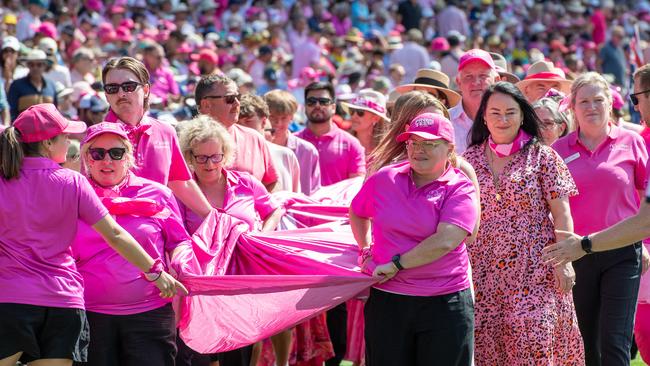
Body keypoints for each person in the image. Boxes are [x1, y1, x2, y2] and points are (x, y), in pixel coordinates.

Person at [0, 104, 185, 366]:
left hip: (10, 299)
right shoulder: (72, 181)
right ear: (49, 143)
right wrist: (154, 272)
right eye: (65, 136)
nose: (69, 141)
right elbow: (114, 234)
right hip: (63, 301)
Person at [462, 82, 584, 364]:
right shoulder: (468, 160)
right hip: (483, 275)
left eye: (510, 112)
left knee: (534, 349)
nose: (502, 120)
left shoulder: (543, 156)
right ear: (483, 116)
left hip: (536, 273)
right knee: (488, 354)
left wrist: (564, 261)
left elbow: (563, 213)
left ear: (521, 116)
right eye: (495, 112)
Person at [350, 112, 477, 366]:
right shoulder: (385, 178)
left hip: (445, 302)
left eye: (429, 144)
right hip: (389, 301)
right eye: (413, 143)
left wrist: (396, 264)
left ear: (449, 148)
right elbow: (357, 211)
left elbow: (446, 239)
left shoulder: (460, 187)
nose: (419, 150)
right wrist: (365, 250)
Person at [72, 122, 193, 365]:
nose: (108, 161)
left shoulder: (156, 194)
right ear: (87, 158)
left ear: (129, 157)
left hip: (150, 313)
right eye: (98, 154)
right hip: (90, 314)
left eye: (116, 153)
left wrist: (180, 261)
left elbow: (180, 240)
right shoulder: (73, 193)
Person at [549, 72, 647, 366]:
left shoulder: (632, 142)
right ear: (573, 108)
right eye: (584, 101)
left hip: (622, 253)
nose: (592, 107)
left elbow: (645, 198)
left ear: (610, 103)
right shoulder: (558, 150)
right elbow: (551, 207)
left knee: (614, 341)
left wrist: (642, 243)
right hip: (576, 253)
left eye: (598, 100)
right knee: (585, 343)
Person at [176, 115, 283, 366]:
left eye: (216, 156)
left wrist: (262, 235)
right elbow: (177, 234)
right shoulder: (182, 191)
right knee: (202, 354)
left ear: (225, 154)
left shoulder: (245, 182)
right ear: (189, 156)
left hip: (244, 281)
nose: (210, 164)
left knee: (240, 353)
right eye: (201, 157)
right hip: (202, 285)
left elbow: (274, 210)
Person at [101, 56, 212, 218]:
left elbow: (181, 182)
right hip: (117, 232)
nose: (121, 93)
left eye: (129, 86)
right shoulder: (96, 137)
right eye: (112, 88)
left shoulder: (166, 131)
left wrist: (214, 217)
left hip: (160, 228)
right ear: (106, 94)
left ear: (146, 90)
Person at [195, 74, 279, 192]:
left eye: (238, 97)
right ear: (206, 105)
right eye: (229, 99)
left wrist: (263, 207)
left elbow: (271, 182)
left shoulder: (254, 138)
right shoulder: (186, 142)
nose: (237, 103)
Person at [296, 81, 366, 187]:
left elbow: (356, 187)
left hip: (337, 204)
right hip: (299, 203)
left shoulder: (351, 144)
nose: (317, 105)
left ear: (333, 107)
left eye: (323, 101)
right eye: (311, 101)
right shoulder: (291, 142)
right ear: (305, 107)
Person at [239, 94, 301, 193]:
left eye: (248, 121)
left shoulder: (286, 155)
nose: (241, 126)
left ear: (263, 122)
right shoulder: (229, 156)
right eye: (237, 122)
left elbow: (295, 196)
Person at [264, 89, 321, 195]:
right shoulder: (256, 147)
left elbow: (315, 192)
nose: (278, 123)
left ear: (292, 117)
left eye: (283, 118)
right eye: (272, 117)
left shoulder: (307, 151)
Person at [449, 49, 501, 153]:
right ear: (458, 82)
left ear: (496, 80)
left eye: (483, 76)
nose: (476, 82)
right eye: (469, 76)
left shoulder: (507, 121)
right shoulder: (445, 120)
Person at [7, 49, 58, 120]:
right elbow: (11, 111)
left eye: (39, 65)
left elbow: (55, 112)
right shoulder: (16, 85)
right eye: (31, 64)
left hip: (47, 130)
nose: (35, 68)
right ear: (28, 65)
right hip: (23, 130)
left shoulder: (51, 86)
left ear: (44, 66)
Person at [340, 88, 389, 154]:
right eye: (352, 111)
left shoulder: (386, 150)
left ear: (376, 118)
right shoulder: (342, 145)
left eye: (360, 112)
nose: (354, 116)